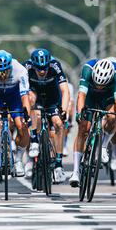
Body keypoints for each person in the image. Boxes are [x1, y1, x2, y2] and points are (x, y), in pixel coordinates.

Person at [69, 58, 116, 187]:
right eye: (97, 83)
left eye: (102, 84)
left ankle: (104, 146)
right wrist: (79, 114)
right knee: (83, 129)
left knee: (112, 117)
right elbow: (81, 95)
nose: (100, 87)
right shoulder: (87, 69)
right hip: (90, 96)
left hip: (108, 96)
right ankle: (75, 171)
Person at [0, 50, 31, 176]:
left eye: (5, 72)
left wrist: (27, 115)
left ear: (10, 67)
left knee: (21, 126)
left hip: (15, 97)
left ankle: (18, 159)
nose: (2, 75)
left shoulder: (20, 69)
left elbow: (25, 97)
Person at [24, 48, 70, 183]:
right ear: (33, 65)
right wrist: (25, 111)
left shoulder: (55, 66)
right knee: (34, 110)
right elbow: (21, 92)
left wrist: (64, 110)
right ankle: (34, 141)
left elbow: (65, 90)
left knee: (58, 124)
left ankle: (58, 163)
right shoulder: (26, 67)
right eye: (39, 69)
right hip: (35, 97)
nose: (42, 71)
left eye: (44, 68)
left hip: (52, 98)